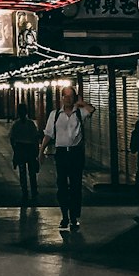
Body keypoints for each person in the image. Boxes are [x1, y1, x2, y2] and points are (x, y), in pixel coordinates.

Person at [40, 86, 95, 230]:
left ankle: (74, 217)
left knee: (76, 186)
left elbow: (92, 109)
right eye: (66, 96)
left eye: (71, 96)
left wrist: (81, 103)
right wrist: (41, 151)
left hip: (76, 153)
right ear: (62, 98)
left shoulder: (80, 113)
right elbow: (48, 134)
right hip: (62, 153)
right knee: (62, 186)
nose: (68, 99)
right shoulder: (55, 115)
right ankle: (65, 215)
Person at [9, 103, 41, 206]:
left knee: (22, 172)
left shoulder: (16, 124)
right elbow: (36, 138)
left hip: (20, 149)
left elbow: (12, 138)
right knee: (32, 172)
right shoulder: (31, 124)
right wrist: (36, 151)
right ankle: (34, 192)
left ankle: (25, 193)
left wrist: (15, 150)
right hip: (30, 149)